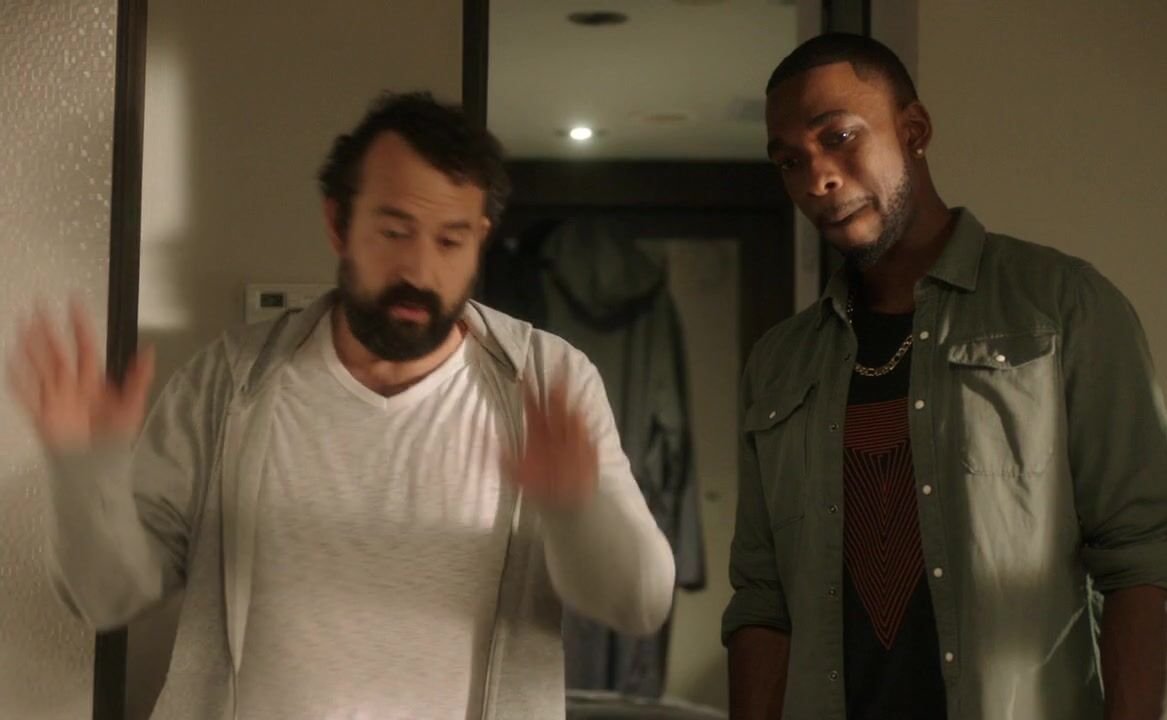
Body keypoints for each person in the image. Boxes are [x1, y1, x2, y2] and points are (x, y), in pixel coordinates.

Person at [7, 91, 675, 720]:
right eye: (394, 231)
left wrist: (576, 506)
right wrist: (82, 470)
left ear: (479, 238)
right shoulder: (230, 381)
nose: (420, 269)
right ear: (338, 222)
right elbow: (106, 597)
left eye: (450, 240)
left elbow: (639, 603)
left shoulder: (549, 381)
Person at [722, 33, 1167, 720]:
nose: (818, 178)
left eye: (840, 137)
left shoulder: (1061, 308)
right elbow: (763, 598)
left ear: (913, 131)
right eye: (791, 161)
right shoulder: (779, 363)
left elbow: (1140, 556)